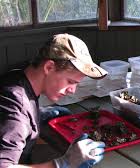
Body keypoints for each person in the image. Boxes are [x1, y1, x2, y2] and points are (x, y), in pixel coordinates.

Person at [0, 33, 108, 167]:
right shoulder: (17, 110)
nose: (72, 90)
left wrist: (36, 114)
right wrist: (61, 164)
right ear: (49, 67)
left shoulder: (17, 76)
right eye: (70, 81)